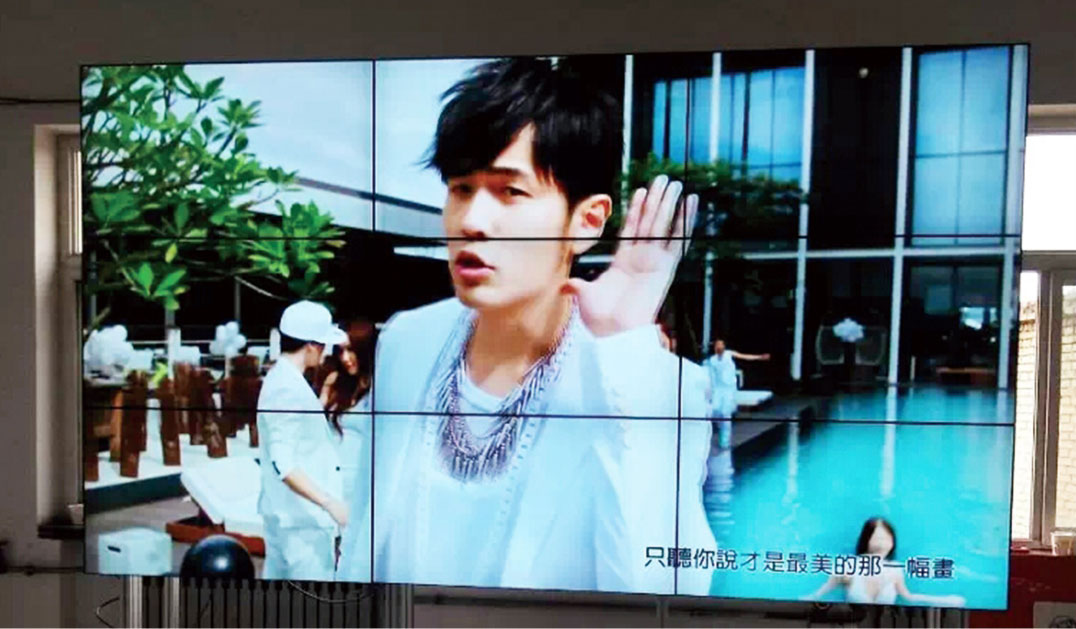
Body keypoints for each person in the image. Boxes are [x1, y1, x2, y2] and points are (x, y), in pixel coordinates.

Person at [337, 58, 716, 596]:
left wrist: (623, 347)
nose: (472, 221)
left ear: (586, 221)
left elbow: (662, 589)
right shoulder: (407, 342)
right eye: (461, 188)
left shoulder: (652, 386)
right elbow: (363, 543)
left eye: (510, 192)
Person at [256, 300, 350, 581]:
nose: (326, 352)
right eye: (324, 345)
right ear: (311, 346)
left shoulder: (282, 379)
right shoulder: (287, 388)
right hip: (302, 524)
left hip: (287, 518)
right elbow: (284, 464)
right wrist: (330, 503)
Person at [316, 320, 376, 582]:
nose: (346, 358)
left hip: (362, 488)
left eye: (352, 350)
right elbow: (314, 425)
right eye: (340, 351)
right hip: (330, 482)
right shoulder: (335, 382)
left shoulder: (380, 386)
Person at [802, 518, 967, 607]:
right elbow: (820, 594)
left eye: (887, 539)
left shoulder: (895, 570)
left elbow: (908, 597)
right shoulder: (848, 566)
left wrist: (945, 601)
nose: (883, 544)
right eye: (878, 538)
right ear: (867, 540)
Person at [703, 337, 770, 449]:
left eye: (721, 345)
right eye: (717, 345)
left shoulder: (729, 354)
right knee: (715, 410)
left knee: (726, 413)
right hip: (718, 389)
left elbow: (745, 357)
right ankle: (720, 428)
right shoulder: (711, 360)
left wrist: (759, 357)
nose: (719, 347)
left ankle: (725, 442)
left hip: (729, 389)